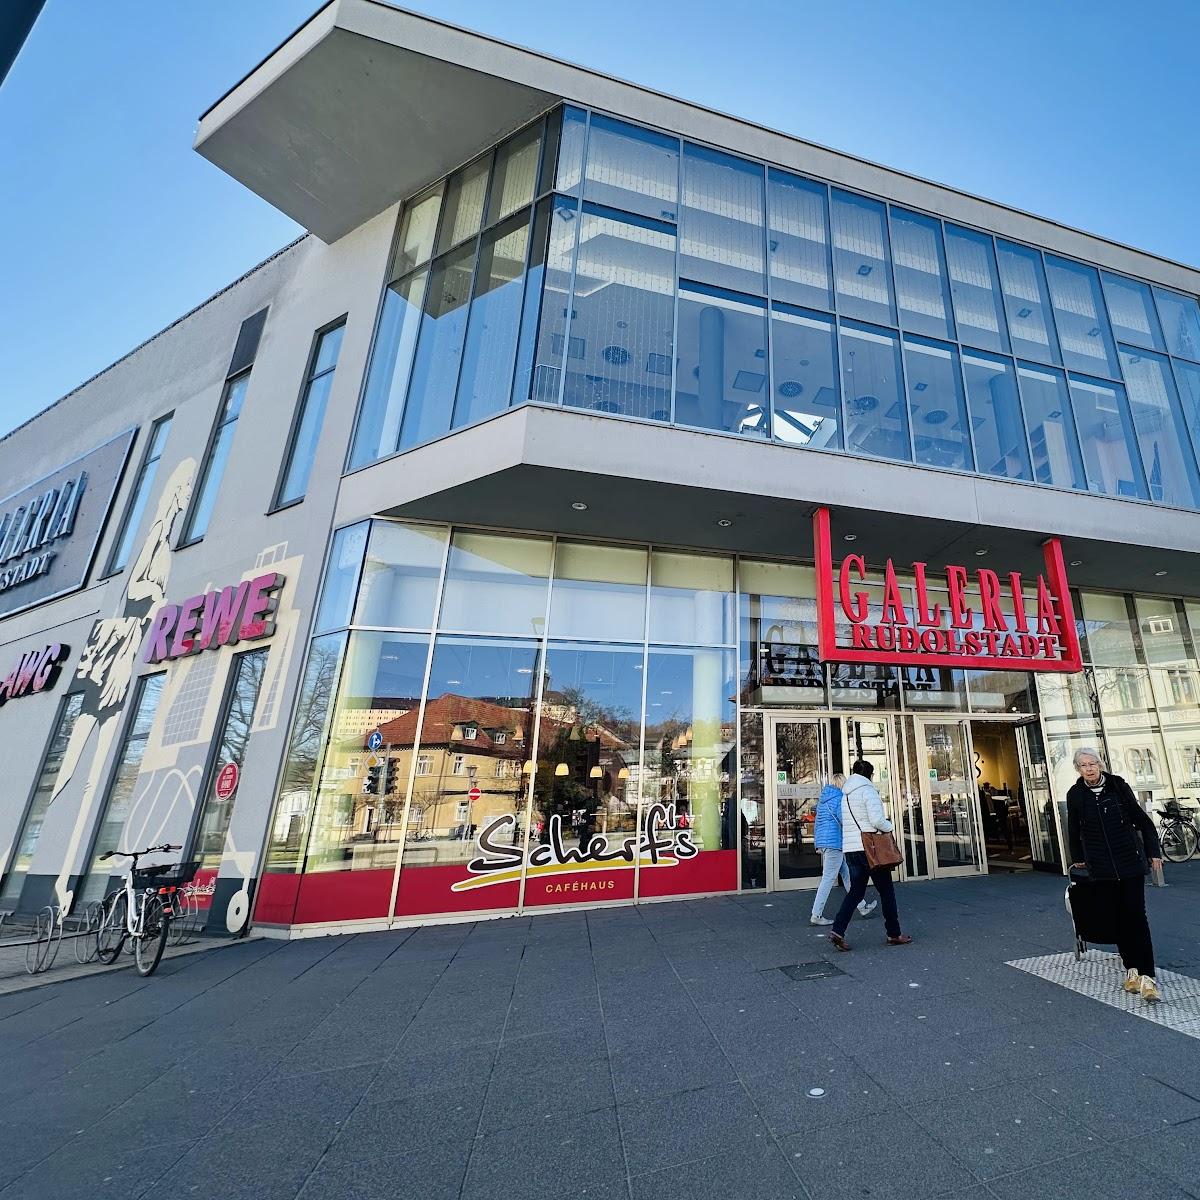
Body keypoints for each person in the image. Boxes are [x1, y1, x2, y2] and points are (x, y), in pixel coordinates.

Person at [1067, 747, 1162, 1003]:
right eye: (1084, 765)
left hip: (1129, 862)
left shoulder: (1118, 787)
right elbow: (1073, 830)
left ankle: (1147, 976)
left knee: (1136, 917)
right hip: (1102, 868)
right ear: (1078, 769)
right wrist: (1078, 859)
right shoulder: (1076, 795)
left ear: (1100, 764)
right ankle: (1131, 968)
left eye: (1092, 763)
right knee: (1118, 919)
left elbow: (1141, 820)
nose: (1089, 769)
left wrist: (1153, 852)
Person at [829, 759, 911, 950]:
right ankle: (894, 933)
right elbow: (876, 820)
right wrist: (889, 827)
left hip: (851, 849)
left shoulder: (845, 795)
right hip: (870, 850)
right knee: (886, 892)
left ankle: (838, 929)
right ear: (870, 774)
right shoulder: (868, 790)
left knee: (855, 892)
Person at [810, 773, 877, 925]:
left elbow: (817, 825)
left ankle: (862, 906)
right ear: (842, 784)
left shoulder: (823, 800)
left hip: (827, 843)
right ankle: (816, 914)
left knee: (846, 875)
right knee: (828, 879)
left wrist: (818, 844)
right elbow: (844, 821)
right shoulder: (838, 800)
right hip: (835, 843)